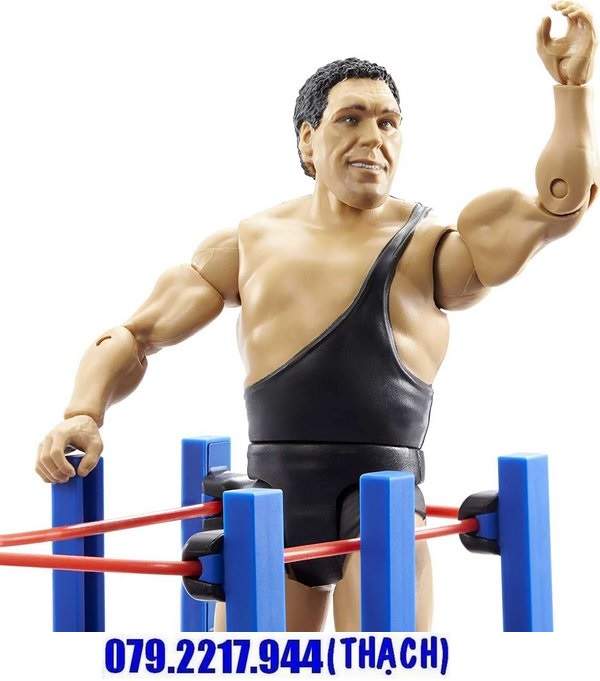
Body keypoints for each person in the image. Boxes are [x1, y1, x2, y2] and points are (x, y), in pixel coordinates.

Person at [35, 2, 598, 631]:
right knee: (253, 667)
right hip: (270, 506)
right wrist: (82, 413)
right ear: (308, 139)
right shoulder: (249, 245)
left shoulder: (433, 247)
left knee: (380, 665)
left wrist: (571, 91)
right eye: (350, 119)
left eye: (388, 122)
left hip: (381, 509)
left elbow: (557, 205)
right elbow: (137, 335)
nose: (373, 138)